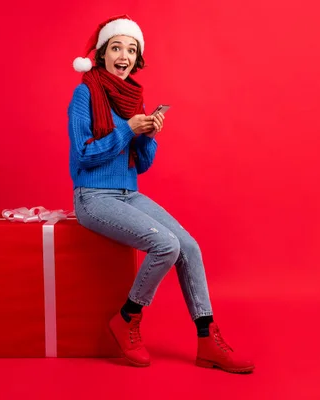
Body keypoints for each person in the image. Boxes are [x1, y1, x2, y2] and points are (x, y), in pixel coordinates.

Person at [67, 15, 254, 374]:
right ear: (103, 52)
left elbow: (142, 165)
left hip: (128, 193)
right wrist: (126, 130)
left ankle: (206, 339)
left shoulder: (132, 98)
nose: (123, 54)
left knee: (190, 246)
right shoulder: (84, 93)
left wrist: (148, 135)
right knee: (165, 244)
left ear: (137, 58)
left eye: (131, 49)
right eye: (116, 47)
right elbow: (83, 156)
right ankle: (127, 319)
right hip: (93, 197)